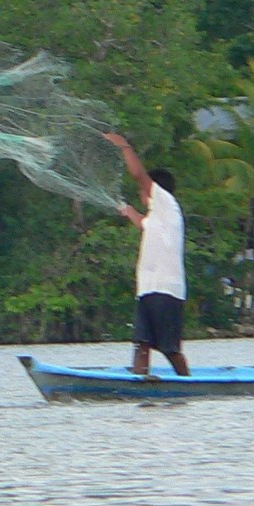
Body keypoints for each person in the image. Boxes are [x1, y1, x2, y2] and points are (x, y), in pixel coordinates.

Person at [102, 132, 189, 378]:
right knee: (142, 344)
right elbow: (144, 225)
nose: (142, 193)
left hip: (166, 290)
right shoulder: (158, 216)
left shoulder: (165, 201)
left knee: (170, 348)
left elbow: (139, 175)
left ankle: (187, 384)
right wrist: (128, 211)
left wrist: (124, 147)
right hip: (148, 289)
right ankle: (139, 382)